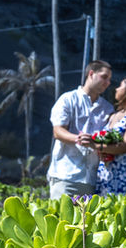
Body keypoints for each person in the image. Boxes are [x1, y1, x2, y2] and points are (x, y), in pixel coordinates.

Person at [47, 60, 113, 199]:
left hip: (92, 179)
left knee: (86, 221)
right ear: (91, 74)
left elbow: (112, 139)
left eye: (109, 79)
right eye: (104, 77)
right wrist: (78, 139)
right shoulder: (67, 99)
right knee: (61, 219)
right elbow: (58, 131)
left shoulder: (108, 108)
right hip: (65, 175)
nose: (108, 83)